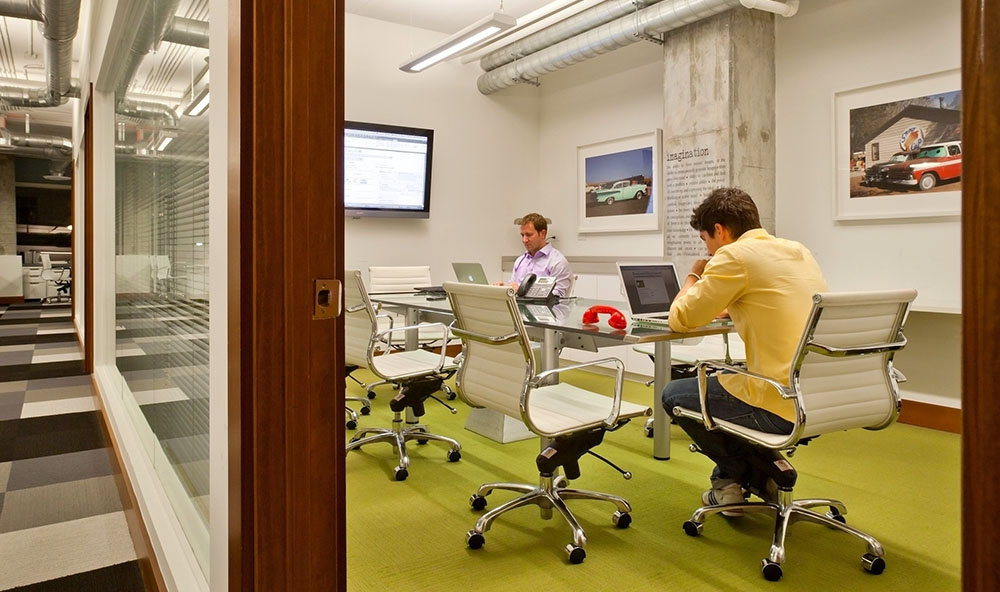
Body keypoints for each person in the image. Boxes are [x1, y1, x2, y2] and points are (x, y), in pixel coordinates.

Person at [662, 187, 827, 515]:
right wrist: (731, 302)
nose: (708, 248)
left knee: (674, 395)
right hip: (822, 396)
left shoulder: (733, 256)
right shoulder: (798, 251)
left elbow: (680, 318)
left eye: (706, 240)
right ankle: (750, 479)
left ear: (720, 231)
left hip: (779, 401)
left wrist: (696, 274)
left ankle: (748, 477)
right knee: (727, 384)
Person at [496, 213, 574, 298]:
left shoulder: (557, 262)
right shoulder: (520, 261)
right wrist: (503, 289)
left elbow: (559, 298)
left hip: (545, 310)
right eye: (522, 235)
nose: (524, 240)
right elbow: (513, 287)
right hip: (518, 309)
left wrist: (521, 292)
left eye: (529, 235)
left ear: (542, 234)